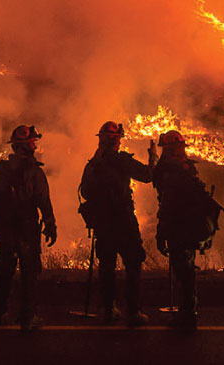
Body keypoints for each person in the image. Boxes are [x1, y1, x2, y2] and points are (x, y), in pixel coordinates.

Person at [78, 121, 155, 326]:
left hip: (103, 222)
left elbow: (84, 191)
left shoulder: (93, 164)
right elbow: (147, 176)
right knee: (133, 262)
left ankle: (109, 308)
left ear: (101, 140)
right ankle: (133, 310)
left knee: (107, 265)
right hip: (123, 220)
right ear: (117, 140)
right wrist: (153, 158)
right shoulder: (121, 161)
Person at [0, 125, 57, 331]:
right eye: (33, 143)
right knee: (29, 272)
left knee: (5, 271)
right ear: (26, 146)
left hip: (7, 229)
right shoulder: (34, 172)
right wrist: (51, 225)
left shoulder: (2, 170)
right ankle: (27, 317)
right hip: (27, 229)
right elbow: (43, 200)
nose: (35, 146)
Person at [152, 130, 219, 330]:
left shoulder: (173, 173)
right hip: (188, 228)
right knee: (187, 271)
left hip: (178, 229)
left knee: (184, 273)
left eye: (166, 149)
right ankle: (188, 311)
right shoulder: (188, 169)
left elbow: (167, 206)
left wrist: (160, 234)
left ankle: (187, 316)